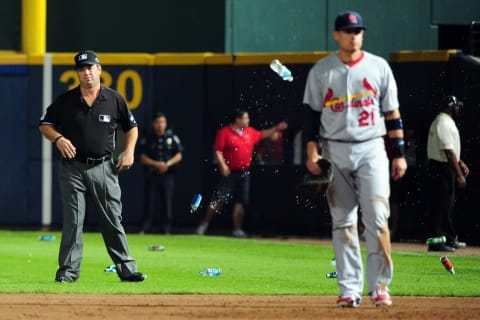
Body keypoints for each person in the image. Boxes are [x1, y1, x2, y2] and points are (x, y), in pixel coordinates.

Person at [303, 11, 407, 307]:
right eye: (348, 31)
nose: (354, 35)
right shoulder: (322, 71)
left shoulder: (378, 67)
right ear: (336, 34)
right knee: (343, 221)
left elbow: (392, 113)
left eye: (358, 30)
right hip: (334, 149)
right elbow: (310, 117)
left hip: (372, 147)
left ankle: (380, 286)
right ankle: (349, 289)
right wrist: (312, 151)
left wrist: (398, 154)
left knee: (377, 219)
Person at [38, 50, 146, 283]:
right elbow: (45, 125)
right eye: (81, 69)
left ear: (99, 70)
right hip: (72, 168)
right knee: (74, 220)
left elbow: (132, 127)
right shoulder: (66, 101)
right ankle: (68, 272)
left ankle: (127, 269)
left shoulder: (114, 99)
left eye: (90, 68)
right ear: (77, 73)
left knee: (112, 218)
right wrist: (58, 138)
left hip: (104, 167)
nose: (86, 72)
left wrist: (129, 151)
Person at [195, 109, 287, 238]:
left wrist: (276, 128)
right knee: (219, 199)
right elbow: (218, 150)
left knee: (241, 201)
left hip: (244, 173)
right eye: (245, 118)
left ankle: (237, 229)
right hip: (229, 172)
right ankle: (204, 224)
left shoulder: (250, 132)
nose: (248, 120)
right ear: (237, 120)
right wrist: (223, 165)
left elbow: (262, 134)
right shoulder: (225, 133)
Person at [426, 95, 469, 252]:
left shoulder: (445, 121)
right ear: (451, 107)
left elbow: (452, 149)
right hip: (440, 168)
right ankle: (436, 243)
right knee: (441, 206)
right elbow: (448, 151)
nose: (458, 109)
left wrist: (460, 162)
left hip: (444, 166)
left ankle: (449, 239)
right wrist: (459, 174)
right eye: (456, 106)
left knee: (447, 205)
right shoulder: (443, 122)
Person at [138, 112, 183, 234]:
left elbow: (179, 155)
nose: (160, 125)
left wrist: (167, 164)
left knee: (167, 202)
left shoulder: (171, 137)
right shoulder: (148, 138)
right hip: (152, 174)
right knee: (150, 201)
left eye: (162, 122)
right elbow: (142, 157)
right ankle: (145, 227)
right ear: (153, 124)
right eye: (157, 122)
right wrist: (157, 164)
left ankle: (166, 228)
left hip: (167, 175)